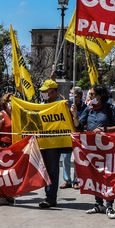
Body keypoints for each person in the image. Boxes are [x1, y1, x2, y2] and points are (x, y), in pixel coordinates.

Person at [71, 85, 115, 219]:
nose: (90, 97)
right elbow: (79, 127)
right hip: (93, 150)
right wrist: (75, 115)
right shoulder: (89, 110)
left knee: (108, 177)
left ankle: (109, 205)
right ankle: (99, 204)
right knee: (96, 176)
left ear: (99, 96)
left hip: (108, 149)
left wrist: (104, 129)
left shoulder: (111, 109)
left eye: (92, 95)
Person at [38, 80, 71, 209]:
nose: (43, 93)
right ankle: (48, 195)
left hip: (54, 142)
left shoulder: (62, 105)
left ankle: (51, 198)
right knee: (45, 170)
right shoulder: (42, 104)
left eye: (45, 91)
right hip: (42, 141)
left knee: (52, 169)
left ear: (53, 92)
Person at [61, 87, 86, 190]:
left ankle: (77, 180)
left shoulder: (84, 107)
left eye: (72, 94)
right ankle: (67, 180)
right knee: (66, 157)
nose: (70, 96)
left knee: (77, 158)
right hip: (67, 134)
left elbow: (82, 121)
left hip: (78, 135)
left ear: (78, 96)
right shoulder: (68, 104)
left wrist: (75, 114)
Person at [0, 93, 15, 205]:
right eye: (10, 101)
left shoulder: (16, 115)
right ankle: (0, 195)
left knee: (12, 173)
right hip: (4, 145)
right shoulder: (1, 115)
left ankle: (9, 194)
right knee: (3, 172)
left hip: (14, 146)